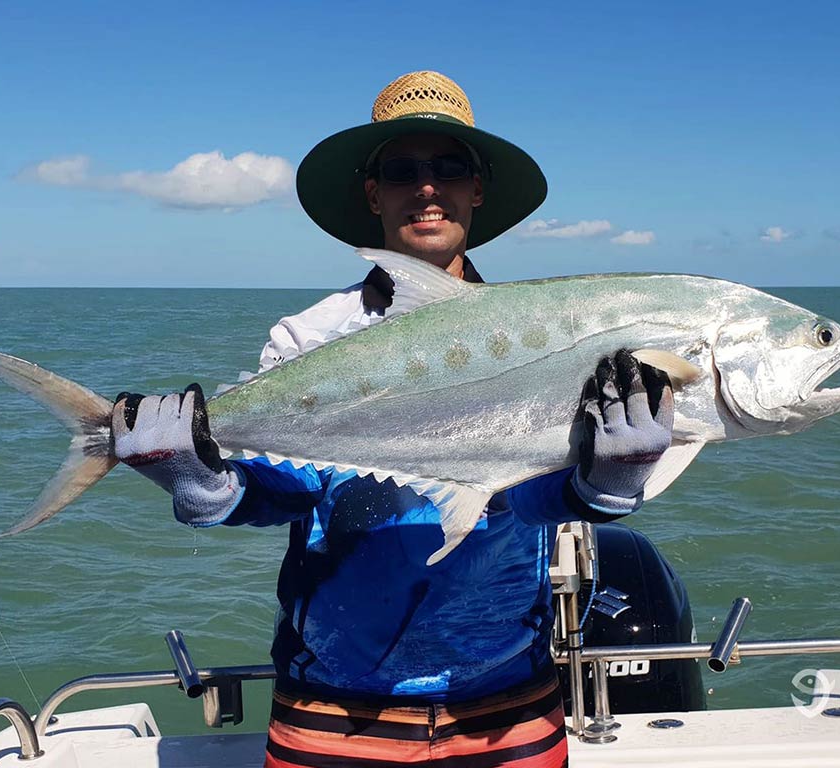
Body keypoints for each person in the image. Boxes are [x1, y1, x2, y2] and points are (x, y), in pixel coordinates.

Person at [111, 71, 673, 768]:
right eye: (402, 170)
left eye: (449, 168)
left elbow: (530, 491)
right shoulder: (310, 336)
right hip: (334, 706)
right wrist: (207, 487)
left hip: (507, 703)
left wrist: (604, 484)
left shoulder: (547, 335)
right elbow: (290, 488)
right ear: (374, 193)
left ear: (477, 189)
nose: (427, 187)